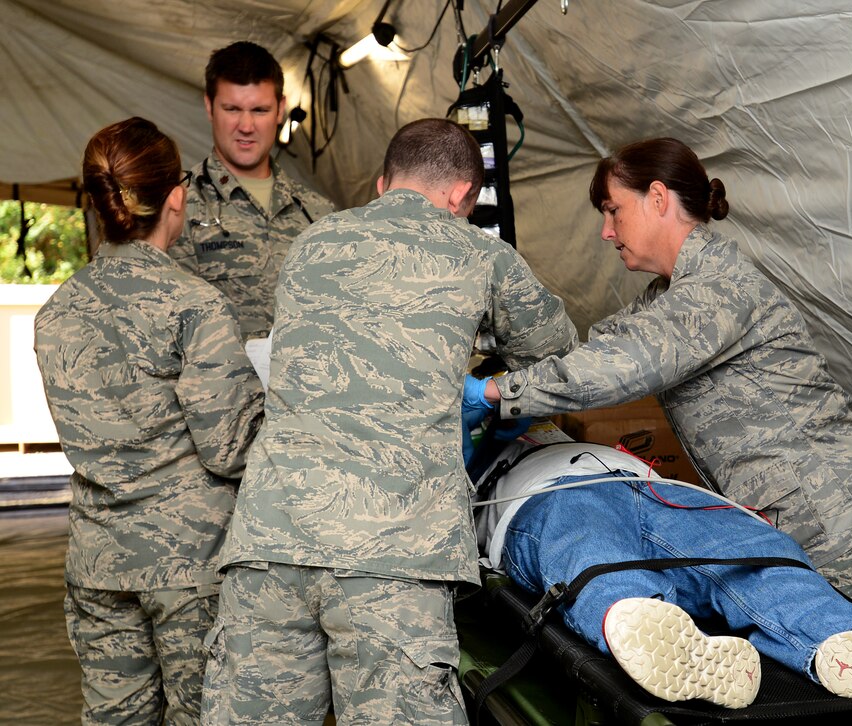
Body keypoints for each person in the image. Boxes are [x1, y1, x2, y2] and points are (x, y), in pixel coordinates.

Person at [201, 118, 578, 725]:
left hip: (272, 541)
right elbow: (557, 354)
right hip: (395, 556)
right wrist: (483, 371)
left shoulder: (312, 242)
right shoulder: (480, 254)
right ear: (464, 195)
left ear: (383, 183)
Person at [472, 137, 852, 615]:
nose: (605, 231)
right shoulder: (669, 294)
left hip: (838, 514)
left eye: (613, 210)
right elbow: (592, 350)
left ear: (658, 198)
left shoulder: (715, 289)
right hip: (807, 512)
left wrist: (497, 393)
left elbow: (617, 366)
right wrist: (513, 366)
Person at [472, 436, 852, 708]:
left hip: (652, 486)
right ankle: (662, 640)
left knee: (754, 548)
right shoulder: (460, 450)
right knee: (594, 556)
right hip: (541, 498)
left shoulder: (549, 421)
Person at [34, 117, 265, 725]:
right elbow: (229, 449)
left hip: (98, 559)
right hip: (189, 564)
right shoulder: (196, 304)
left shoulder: (56, 312)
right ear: (175, 195)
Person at [169, 40, 335, 341]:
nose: (246, 126)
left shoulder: (318, 212)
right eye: (232, 109)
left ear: (280, 109)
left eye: (260, 110)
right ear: (209, 106)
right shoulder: (177, 206)